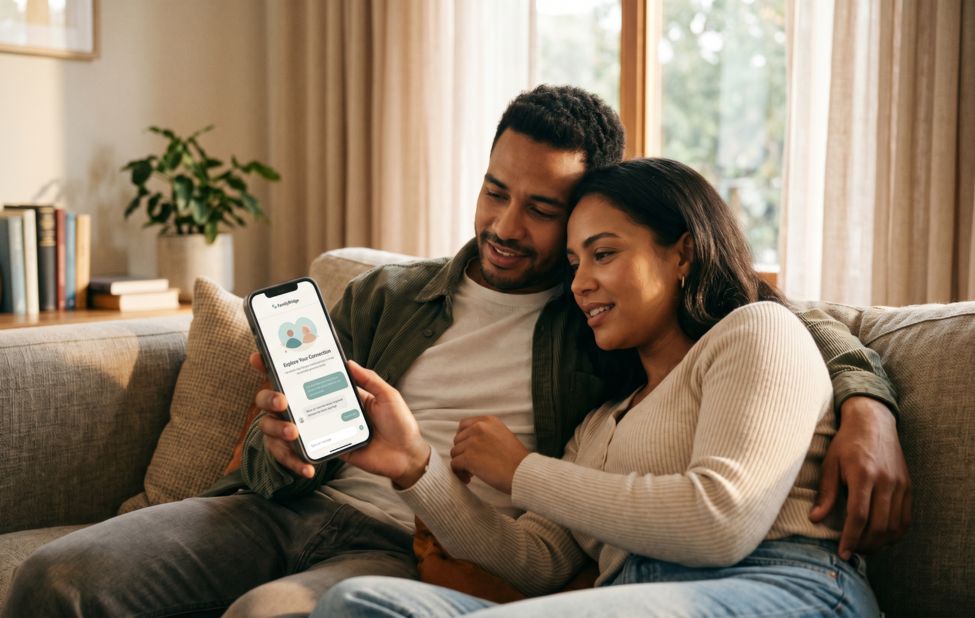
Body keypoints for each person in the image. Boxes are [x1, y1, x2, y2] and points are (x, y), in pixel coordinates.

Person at [2, 86, 906, 618]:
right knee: (60, 576)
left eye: (545, 212)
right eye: (492, 190)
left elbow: (758, 310)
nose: (505, 227)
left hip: (413, 536)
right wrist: (281, 446)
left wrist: (867, 399)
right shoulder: (388, 295)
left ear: (593, 217)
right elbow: (281, 444)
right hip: (286, 503)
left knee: (272, 615)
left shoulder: (595, 324)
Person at [313, 158, 881, 617]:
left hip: (783, 588)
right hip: (626, 596)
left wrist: (521, 472)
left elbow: (720, 521)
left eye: (604, 254)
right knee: (357, 604)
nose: (581, 284)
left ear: (682, 252)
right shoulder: (601, 420)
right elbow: (537, 561)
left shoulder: (757, 331)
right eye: (574, 261)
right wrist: (415, 464)